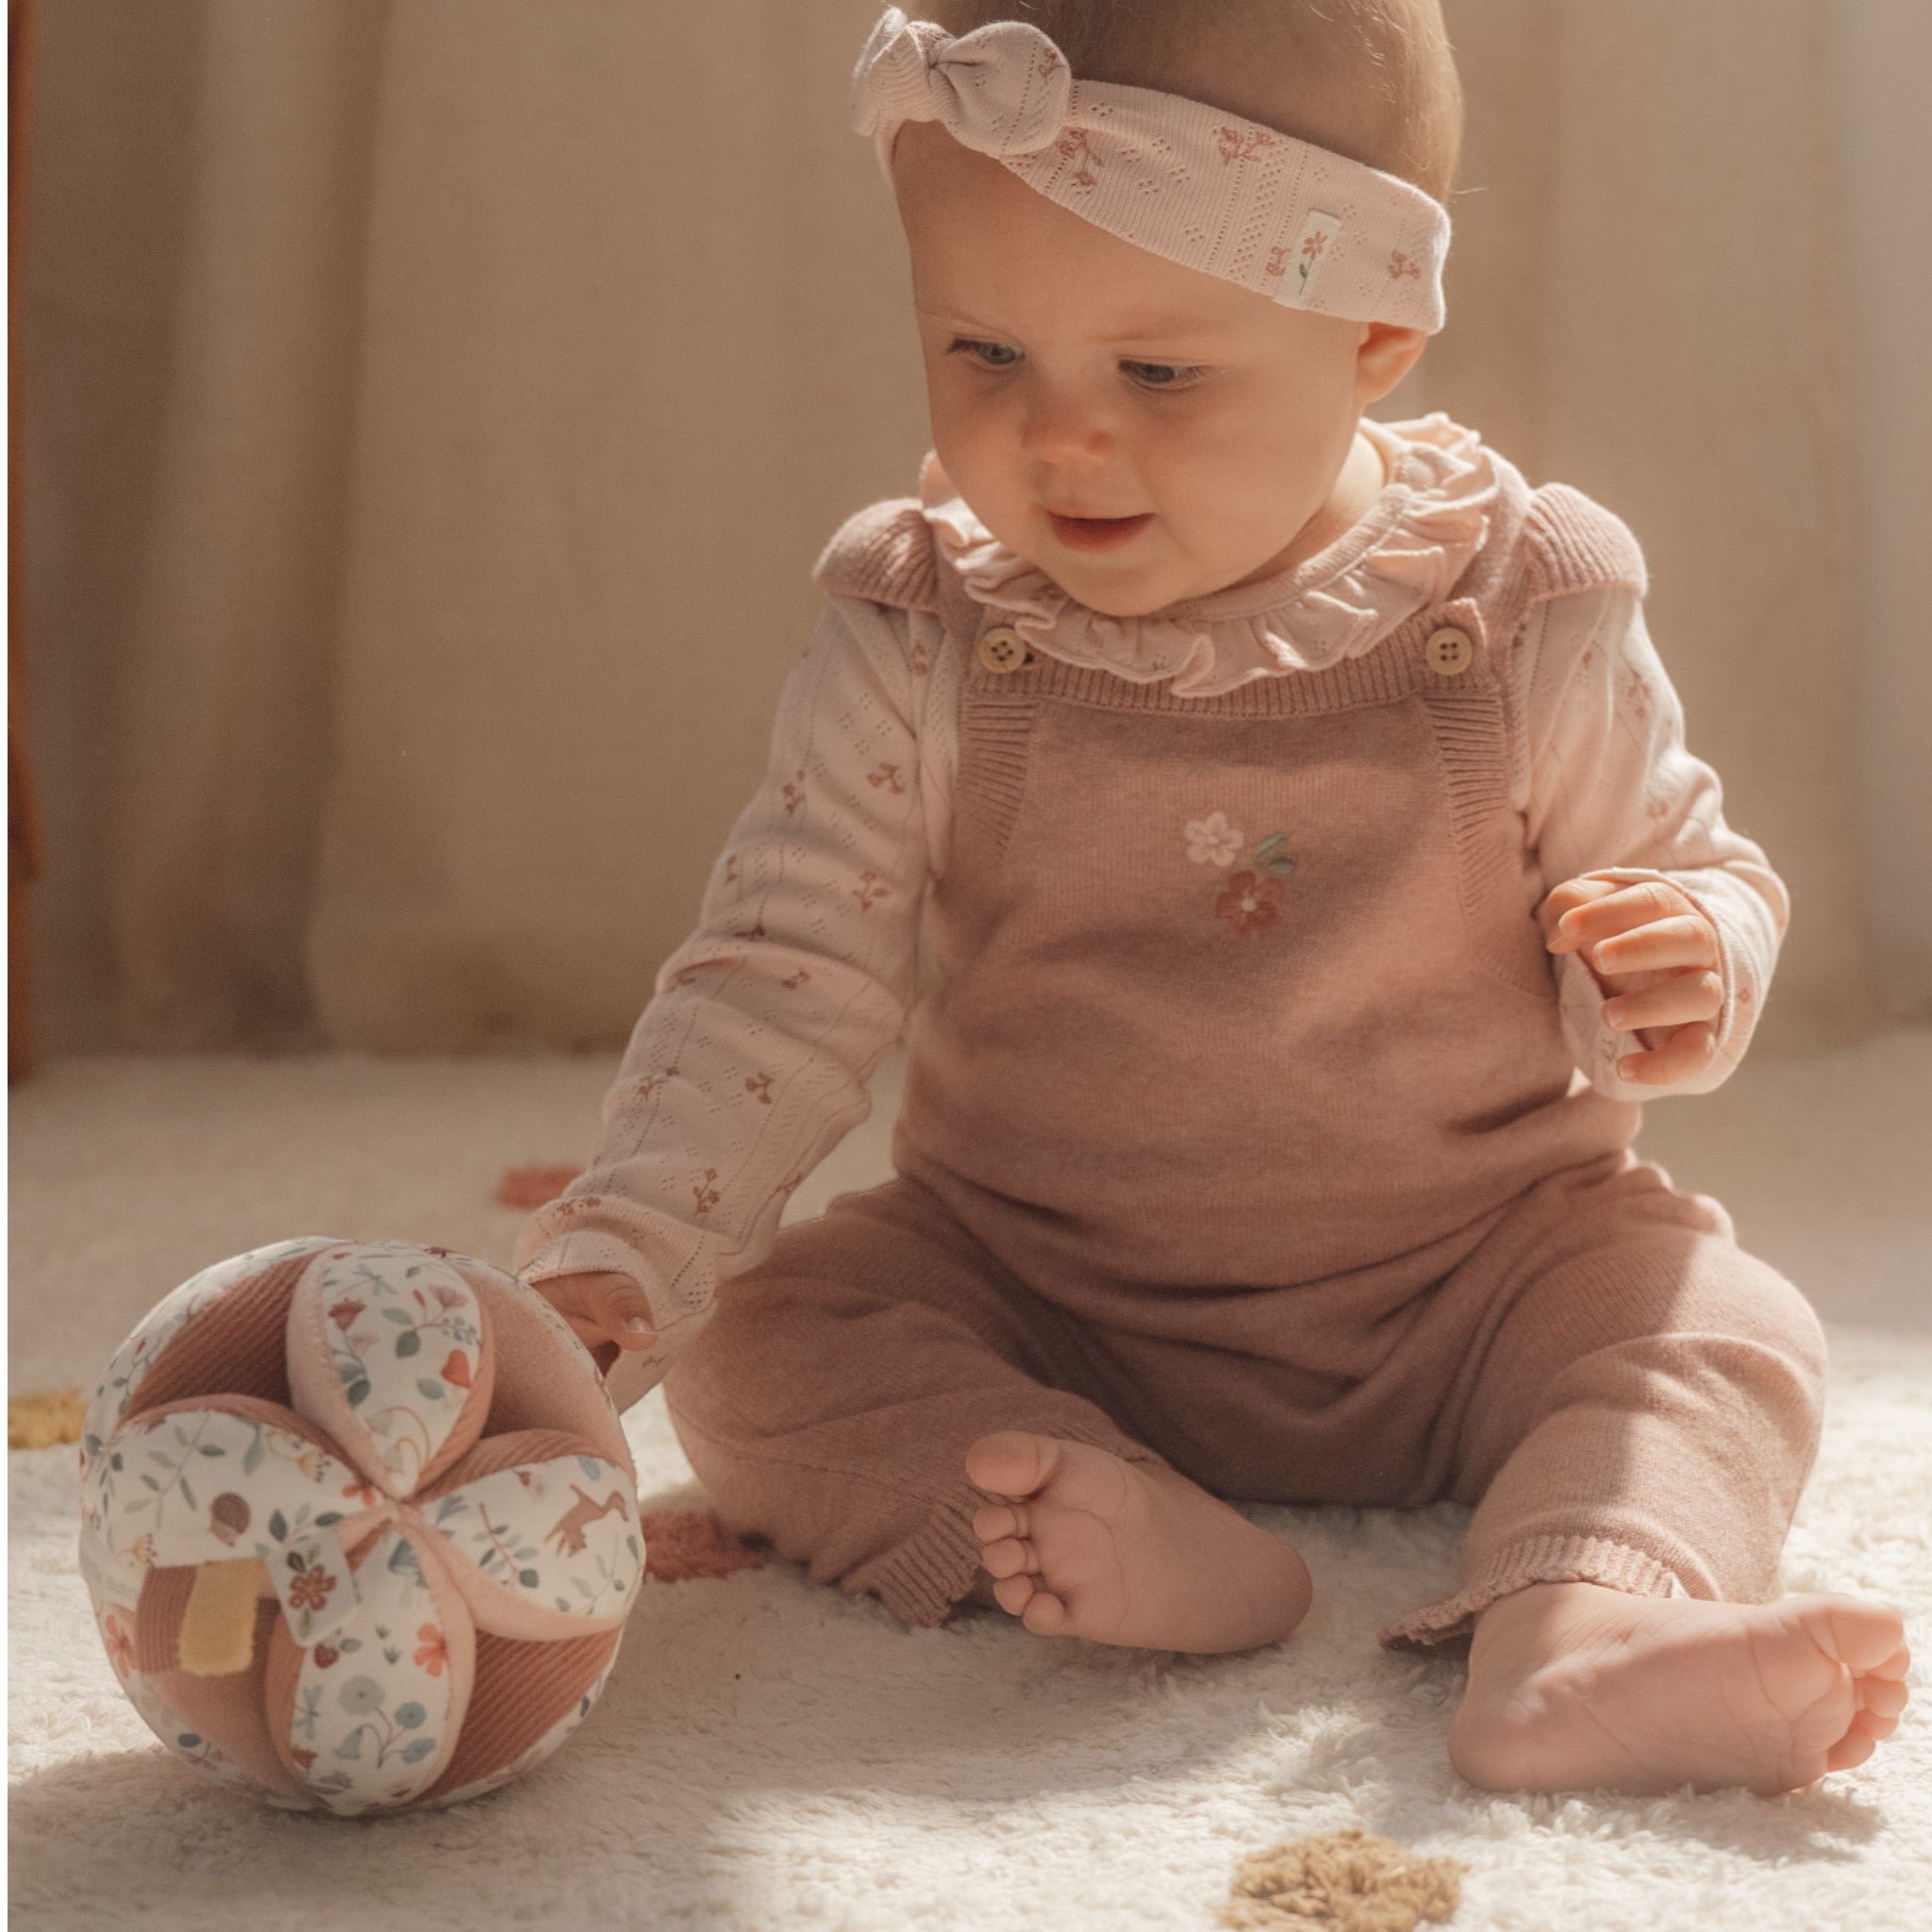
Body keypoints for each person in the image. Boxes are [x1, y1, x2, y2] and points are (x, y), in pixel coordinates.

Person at [515, 1, 1910, 1796]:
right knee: (763, 1342)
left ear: (1375, 334)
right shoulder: (924, 618)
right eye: (984, 349)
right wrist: (628, 1252)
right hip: (1038, 1283)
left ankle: (1581, 1629)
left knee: (1724, 1330)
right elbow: (781, 970)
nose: (1060, 440)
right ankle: (1118, 1527)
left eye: (1161, 374)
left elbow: (1694, 863)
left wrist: (1684, 964)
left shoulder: (1524, 596)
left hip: (1478, 1277)